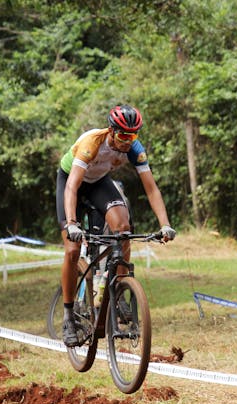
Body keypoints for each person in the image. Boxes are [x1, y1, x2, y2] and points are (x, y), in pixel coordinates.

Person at [56, 104, 176, 347]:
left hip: (99, 182)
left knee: (124, 229)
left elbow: (151, 189)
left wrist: (165, 225)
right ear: (111, 131)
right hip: (72, 182)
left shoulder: (134, 148)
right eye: (123, 136)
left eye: (133, 136)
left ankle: (120, 289)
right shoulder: (93, 142)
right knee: (71, 250)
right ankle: (69, 316)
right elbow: (72, 186)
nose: (127, 141)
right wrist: (72, 223)